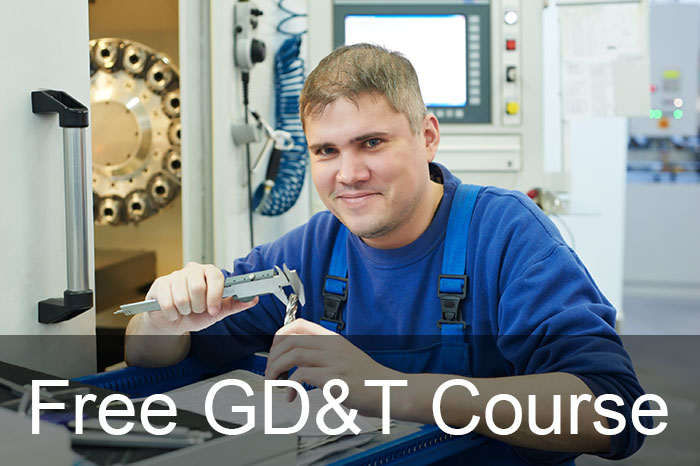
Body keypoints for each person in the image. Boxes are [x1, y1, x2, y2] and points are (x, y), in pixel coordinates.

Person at [126, 43, 649, 463]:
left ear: (427, 137)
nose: (348, 174)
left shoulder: (507, 235)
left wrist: (385, 388)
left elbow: (610, 411)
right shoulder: (312, 248)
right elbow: (154, 359)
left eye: (372, 142)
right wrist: (159, 320)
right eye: (326, 151)